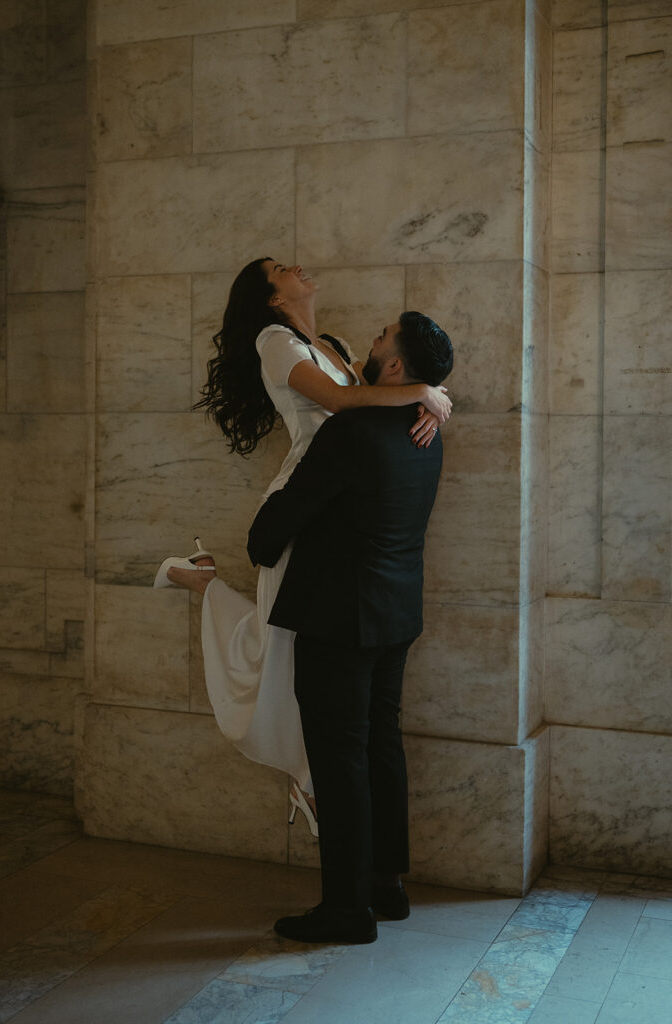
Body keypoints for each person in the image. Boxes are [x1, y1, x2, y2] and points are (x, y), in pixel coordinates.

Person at [155, 259, 452, 834]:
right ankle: (205, 583)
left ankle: (309, 780)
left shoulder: (337, 344)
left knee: (292, 656)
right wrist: (425, 392)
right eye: (279, 269)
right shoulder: (273, 341)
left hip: (340, 504)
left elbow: (380, 396)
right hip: (301, 497)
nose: (295, 265)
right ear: (271, 298)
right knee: (278, 650)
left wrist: (428, 404)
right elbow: (342, 407)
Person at [247, 311, 453, 944]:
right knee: (380, 747)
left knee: (339, 761)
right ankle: (385, 887)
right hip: (396, 613)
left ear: (393, 367)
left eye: (381, 338)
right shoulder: (428, 430)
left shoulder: (351, 432)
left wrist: (260, 539)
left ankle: (344, 908)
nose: (369, 342)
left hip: (338, 618)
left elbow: (275, 528)